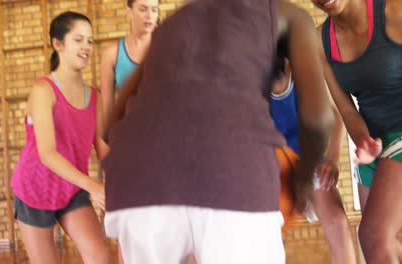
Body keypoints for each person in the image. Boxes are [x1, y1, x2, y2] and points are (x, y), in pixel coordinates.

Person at [101, 0, 335, 262]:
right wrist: (303, 180)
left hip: (137, 181)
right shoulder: (290, 16)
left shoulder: (174, 22)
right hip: (234, 171)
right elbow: (319, 120)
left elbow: (112, 122)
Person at [312, 0, 402, 262]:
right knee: (377, 243)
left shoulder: (398, 12)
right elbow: (347, 110)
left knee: (373, 236)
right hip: (374, 143)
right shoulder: (320, 41)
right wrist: (362, 141)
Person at [10, 11, 109, 264]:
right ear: (58, 44)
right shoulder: (43, 90)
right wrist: (93, 185)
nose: (87, 46)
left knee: (98, 255)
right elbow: (47, 154)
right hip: (35, 187)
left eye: (90, 40)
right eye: (79, 40)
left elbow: (102, 147)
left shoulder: (94, 97)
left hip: (72, 188)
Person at [271, 35, 356, 264]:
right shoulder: (247, 85)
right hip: (273, 164)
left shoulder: (303, 73)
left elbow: (336, 118)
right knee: (266, 235)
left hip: (309, 158)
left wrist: (334, 159)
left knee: (337, 222)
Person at [100, 0, 159, 127]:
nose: (149, 15)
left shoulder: (166, 49)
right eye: (143, 9)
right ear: (129, 12)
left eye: (154, 10)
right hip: (129, 131)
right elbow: (108, 109)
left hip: (164, 130)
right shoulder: (111, 55)